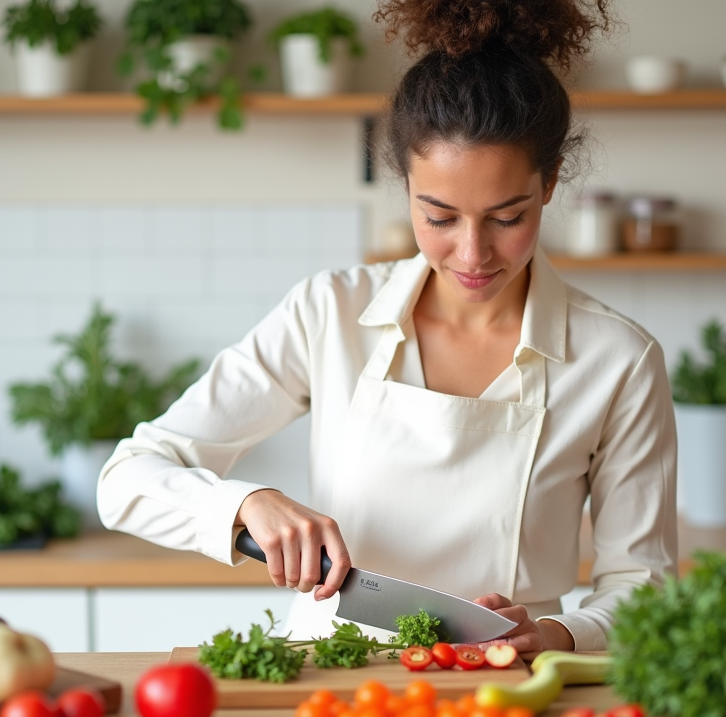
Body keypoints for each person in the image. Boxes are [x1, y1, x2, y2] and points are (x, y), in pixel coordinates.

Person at [97, 0, 677, 656]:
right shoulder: (330, 313)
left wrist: (556, 633)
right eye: (439, 217)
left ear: (549, 185)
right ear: (405, 187)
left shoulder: (618, 360)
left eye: (507, 218)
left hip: (505, 692)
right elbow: (128, 478)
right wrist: (244, 504)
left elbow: (643, 584)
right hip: (331, 685)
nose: (472, 254)